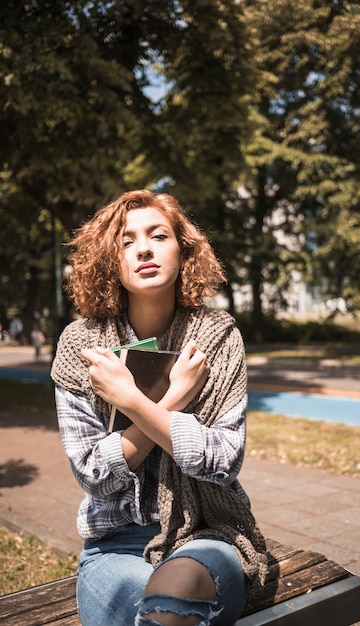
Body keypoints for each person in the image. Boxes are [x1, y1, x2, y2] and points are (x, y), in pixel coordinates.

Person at [51, 189, 267, 626]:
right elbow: (94, 475)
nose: (143, 248)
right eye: (126, 241)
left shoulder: (219, 337)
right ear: (109, 261)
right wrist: (173, 402)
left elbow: (224, 461)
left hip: (206, 533)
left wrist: (130, 400)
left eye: (158, 235)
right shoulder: (80, 346)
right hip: (115, 544)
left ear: (183, 251)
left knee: (174, 597)